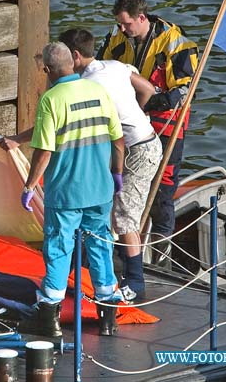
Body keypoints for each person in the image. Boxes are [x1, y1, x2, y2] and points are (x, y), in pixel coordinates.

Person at [17, 42, 127, 338]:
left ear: (48, 70)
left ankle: (48, 321)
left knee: (58, 251)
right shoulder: (98, 92)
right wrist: (116, 174)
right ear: (72, 64)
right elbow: (118, 140)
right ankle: (108, 320)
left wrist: (29, 186)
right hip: (100, 190)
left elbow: (44, 152)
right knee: (101, 249)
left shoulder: (52, 100)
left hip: (65, 193)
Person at [59, 28, 162, 301]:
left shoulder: (90, 84)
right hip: (140, 141)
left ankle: (135, 281)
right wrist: (135, 114)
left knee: (125, 215)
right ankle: (86, 266)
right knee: (105, 206)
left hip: (138, 150)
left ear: (76, 56)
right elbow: (148, 89)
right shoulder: (115, 66)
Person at [98, 0, 198, 265]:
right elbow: (101, 67)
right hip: (129, 123)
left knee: (162, 189)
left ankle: (161, 256)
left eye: (126, 24)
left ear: (141, 18)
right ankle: (123, 252)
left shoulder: (175, 43)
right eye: (119, 23)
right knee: (123, 185)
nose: (121, 29)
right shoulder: (118, 38)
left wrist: (145, 101)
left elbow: (183, 92)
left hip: (166, 123)